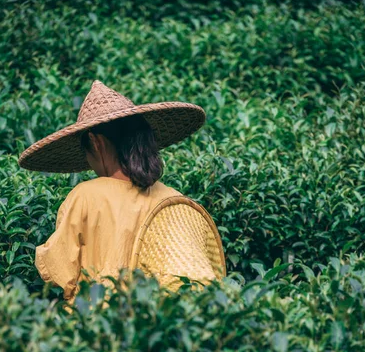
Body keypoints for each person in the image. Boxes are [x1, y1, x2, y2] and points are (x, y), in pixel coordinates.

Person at [18, 80, 225, 310]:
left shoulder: (85, 196)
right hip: (155, 328)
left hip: (97, 327)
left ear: (96, 143)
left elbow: (59, 273)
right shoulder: (173, 198)